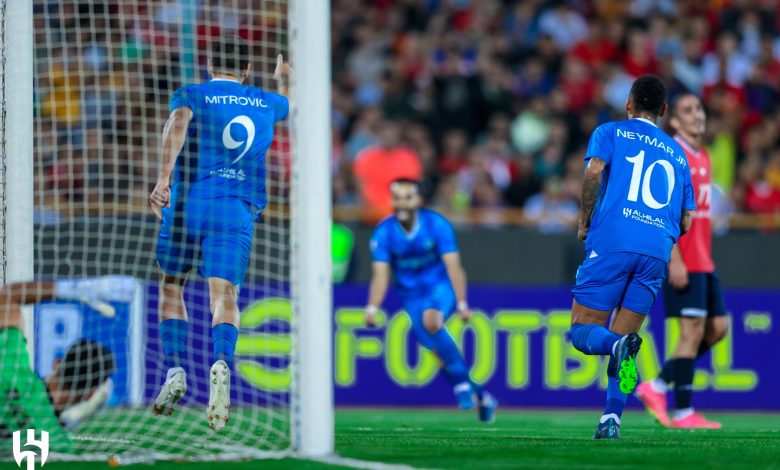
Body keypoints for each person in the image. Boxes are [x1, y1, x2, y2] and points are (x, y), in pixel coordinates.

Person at [148, 36, 290, 431]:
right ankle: (221, 362)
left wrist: (163, 180)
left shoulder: (191, 93)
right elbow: (290, 104)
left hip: (188, 204)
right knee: (224, 294)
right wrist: (283, 80)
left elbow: (177, 123)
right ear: (246, 70)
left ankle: (175, 369)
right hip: (234, 208)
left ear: (210, 65)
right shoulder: (266, 101)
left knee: (171, 286)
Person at [568, 75, 696, 439]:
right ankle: (612, 419)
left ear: (628, 103)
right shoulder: (678, 153)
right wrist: (659, 235)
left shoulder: (610, 132)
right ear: (664, 111)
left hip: (612, 241)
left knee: (583, 330)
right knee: (628, 340)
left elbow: (594, 171)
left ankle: (616, 345)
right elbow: (686, 219)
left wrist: (584, 222)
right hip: (656, 251)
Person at [363, 179, 497, 422]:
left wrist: (462, 303)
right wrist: (372, 307)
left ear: (419, 200)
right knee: (439, 355)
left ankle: (461, 388)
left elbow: (454, 267)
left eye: (408, 197)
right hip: (410, 296)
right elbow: (380, 275)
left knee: (432, 321)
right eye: (397, 197)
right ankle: (482, 396)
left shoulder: (437, 225)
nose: (401, 203)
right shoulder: (384, 233)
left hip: (439, 288)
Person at [635, 94, 728, 429]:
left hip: (704, 259)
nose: (697, 115)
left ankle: (657, 385)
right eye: (688, 110)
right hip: (684, 259)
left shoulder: (703, 156)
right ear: (673, 121)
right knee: (690, 333)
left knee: (718, 329)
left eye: (700, 108)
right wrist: (673, 259)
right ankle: (684, 412)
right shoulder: (672, 155)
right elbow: (661, 211)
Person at [0, 278, 126, 452]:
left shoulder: (12, 368)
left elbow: (7, 296)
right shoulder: (59, 445)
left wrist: (69, 289)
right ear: (90, 395)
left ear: (56, 363)